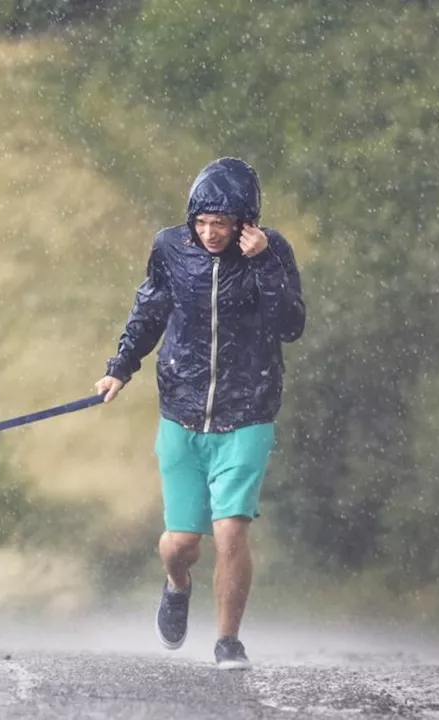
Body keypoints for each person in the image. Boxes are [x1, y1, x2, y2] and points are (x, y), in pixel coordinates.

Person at [95, 157, 305, 670]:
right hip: (183, 412)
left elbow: (291, 324)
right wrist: (120, 368)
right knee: (182, 544)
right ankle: (176, 584)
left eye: (222, 223)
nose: (211, 233)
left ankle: (228, 640)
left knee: (231, 530)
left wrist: (263, 264)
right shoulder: (171, 247)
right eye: (203, 222)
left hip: (247, 413)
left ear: (244, 222)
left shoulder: (271, 251)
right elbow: (150, 309)